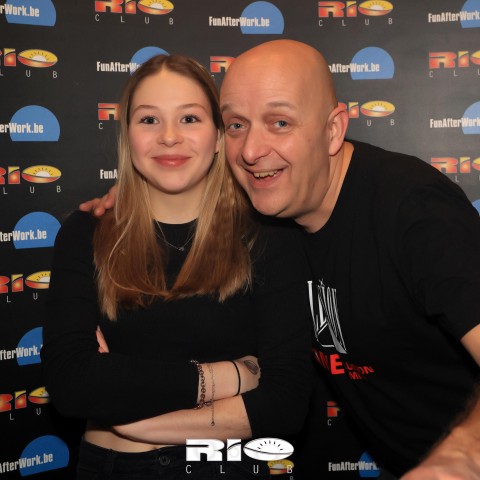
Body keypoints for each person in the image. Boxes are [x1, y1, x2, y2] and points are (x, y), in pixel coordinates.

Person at [83, 40, 480, 479]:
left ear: (333, 130)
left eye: (280, 122)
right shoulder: (266, 206)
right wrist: (135, 195)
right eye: (236, 125)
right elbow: (183, 179)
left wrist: (461, 455)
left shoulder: (413, 210)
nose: (252, 150)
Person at [41, 53, 313, 480]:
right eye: (149, 120)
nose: (169, 137)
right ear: (128, 135)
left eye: (189, 119)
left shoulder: (266, 235)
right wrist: (227, 376)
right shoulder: (86, 232)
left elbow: (286, 403)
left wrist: (136, 424)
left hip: (231, 468)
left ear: (219, 136)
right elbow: (72, 383)